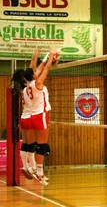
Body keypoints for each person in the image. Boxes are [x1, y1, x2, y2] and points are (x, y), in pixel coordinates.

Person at [24, 48, 57, 186]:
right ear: (33, 75)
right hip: (40, 115)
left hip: (33, 116)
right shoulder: (38, 83)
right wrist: (51, 56)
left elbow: (36, 67)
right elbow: (47, 68)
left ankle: (35, 169)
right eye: (35, 71)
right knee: (42, 146)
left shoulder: (28, 86)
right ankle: (39, 172)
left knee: (38, 145)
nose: (37, 71)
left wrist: (40, 56)